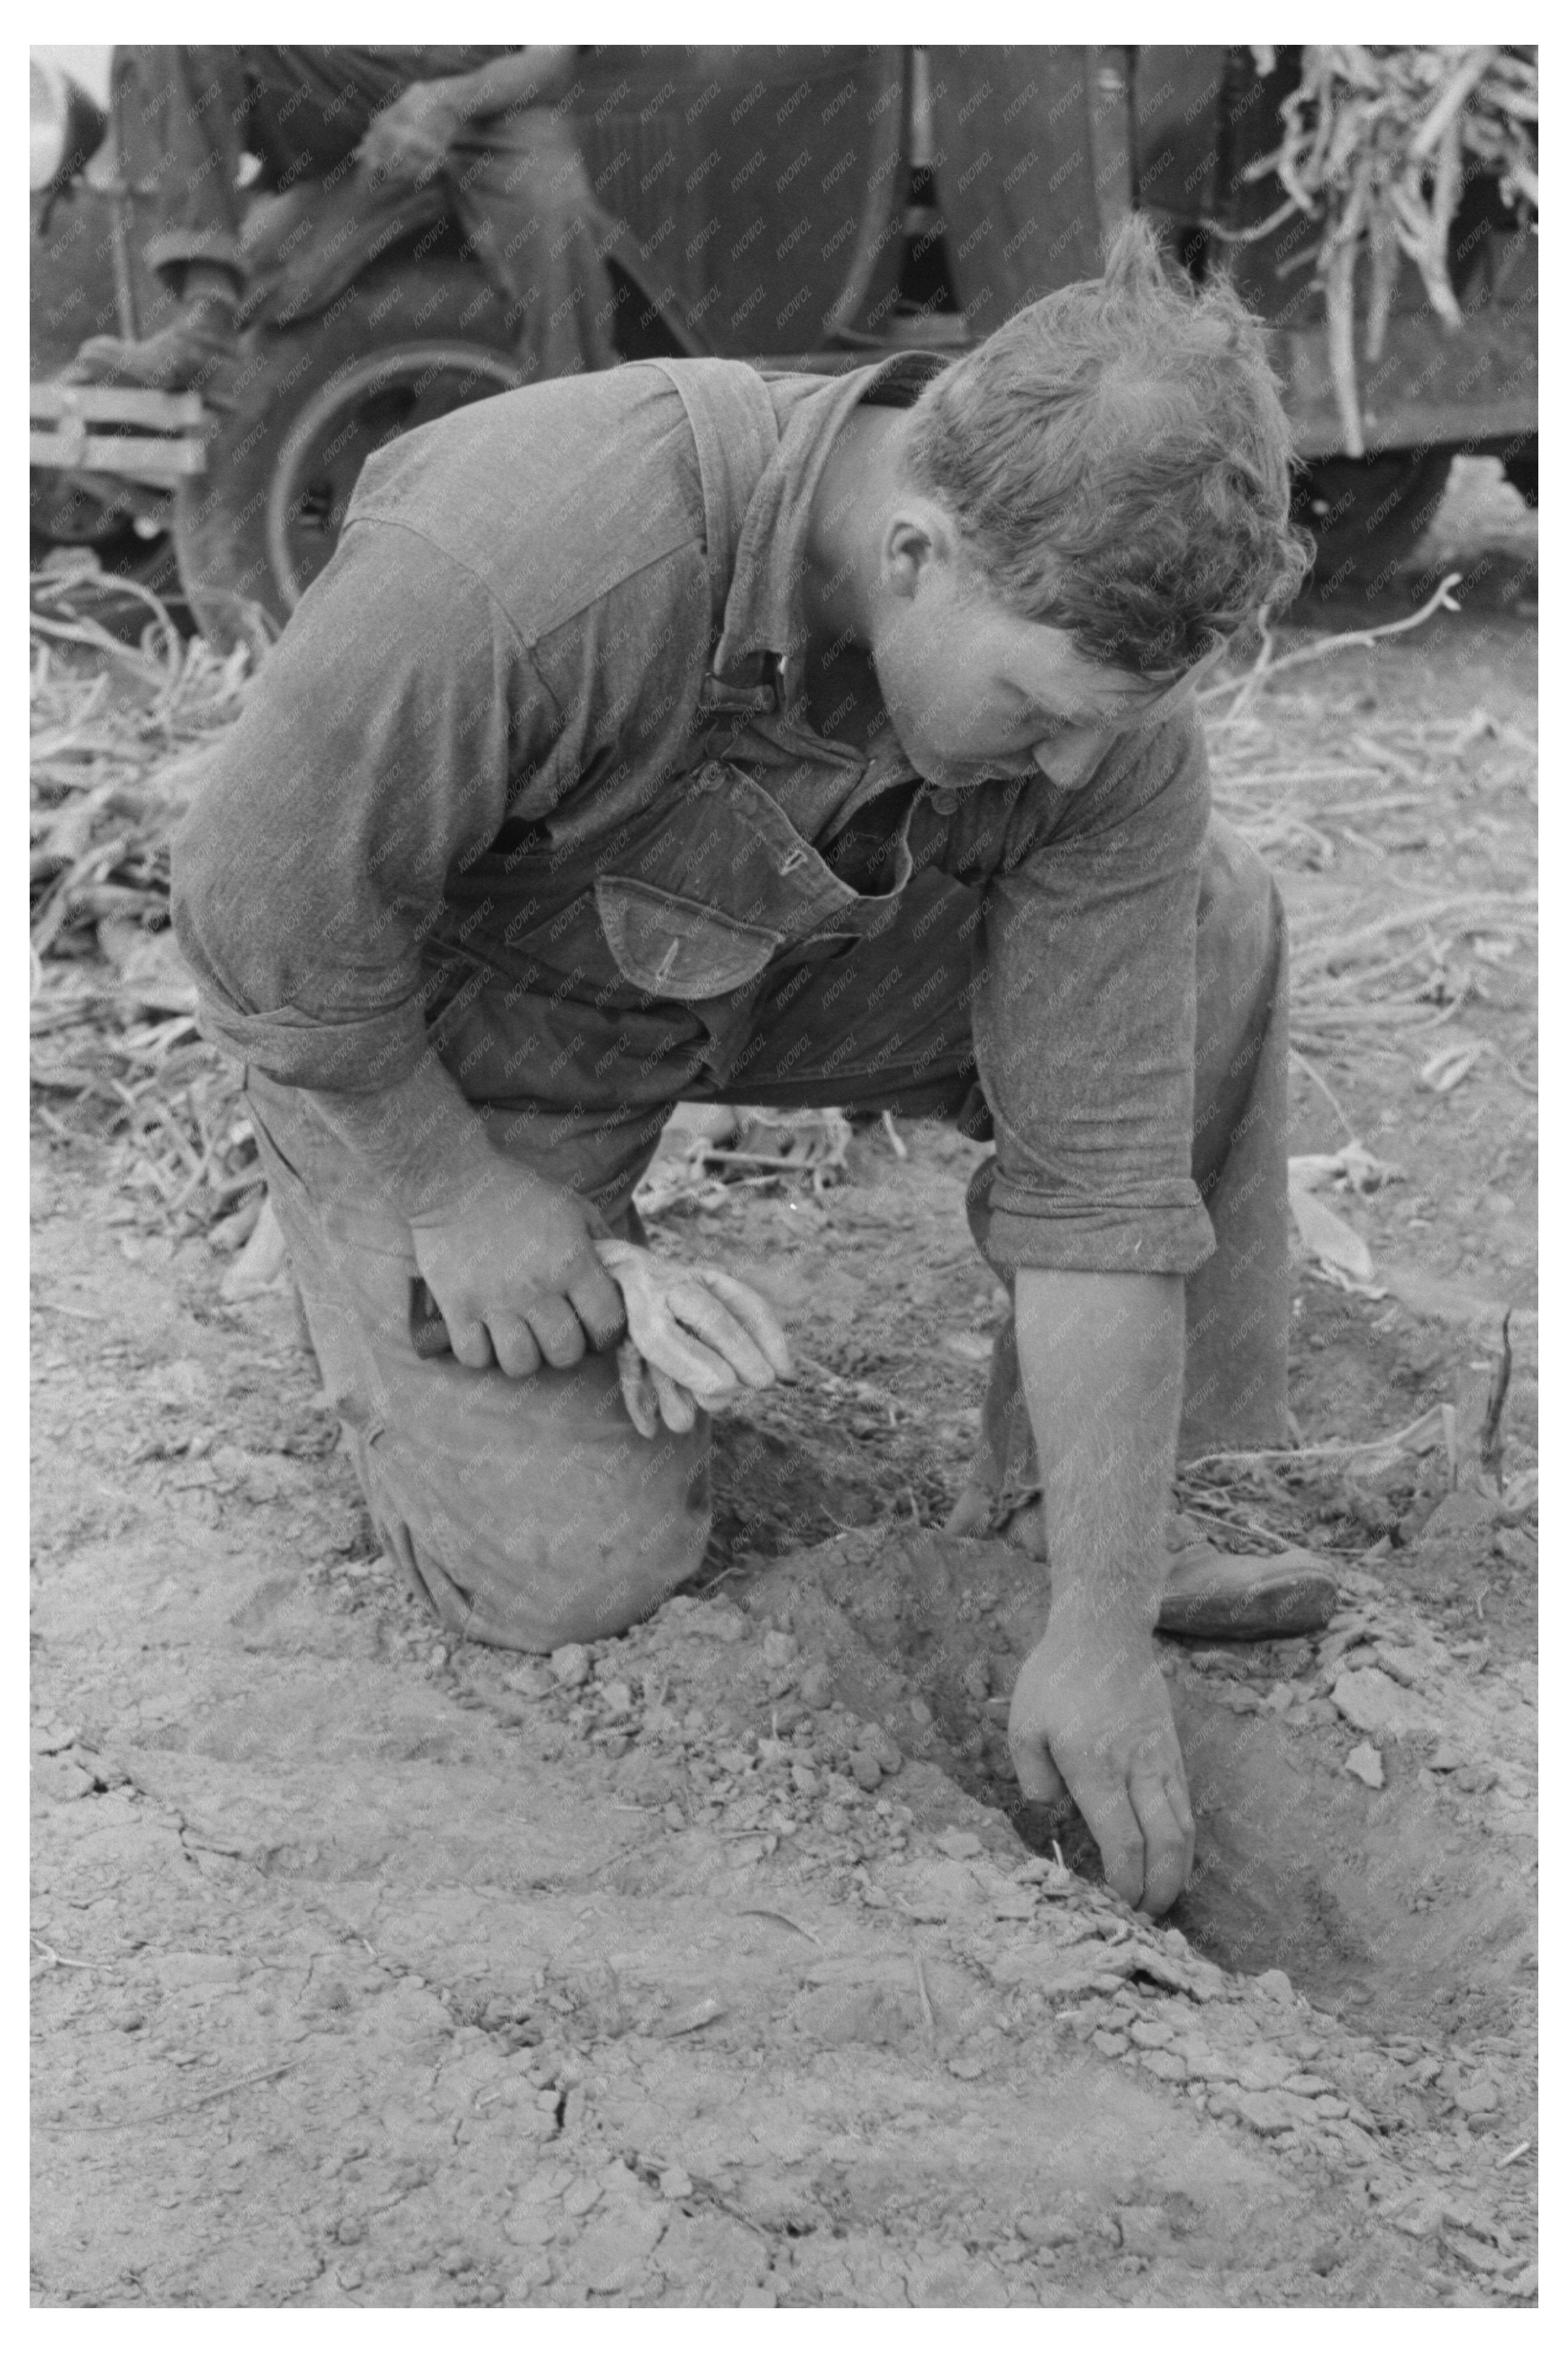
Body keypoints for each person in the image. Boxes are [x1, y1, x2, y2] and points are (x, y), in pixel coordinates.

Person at [173, 221, 1325, 1918]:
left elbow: (1093, 1177)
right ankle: (354, 1231)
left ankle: (1092, 1506)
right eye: (1037, 709)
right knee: (572, 1570)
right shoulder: (544, 547)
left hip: (795, 957)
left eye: (1107, 722)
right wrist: (450, 1182)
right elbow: (254, 894)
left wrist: (1094, 1624)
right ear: (918, 547)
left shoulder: (1097, 731)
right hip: (495, 1011)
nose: (1071, 758)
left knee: (1207, 923)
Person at [64, 45, 616, 392]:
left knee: (556, 213)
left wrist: (446, 101)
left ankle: (570, 440)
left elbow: (552, 55)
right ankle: (205, 314)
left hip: (492, 96)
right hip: (343, 77)